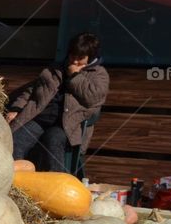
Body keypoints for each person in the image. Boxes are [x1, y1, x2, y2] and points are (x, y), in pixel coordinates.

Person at [7, 33, 109, 172]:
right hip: (40, 118)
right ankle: (17, 181)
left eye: (80, 58)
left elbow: (93, 97)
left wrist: (75, 76)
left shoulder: (98, 74)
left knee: (53, 140)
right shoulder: (54, 69)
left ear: (90, 58)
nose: (74, 61)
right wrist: (17, 108)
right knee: (16, 139)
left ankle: (57, 185)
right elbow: (31, 90)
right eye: (73, 56)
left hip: (66, 124)